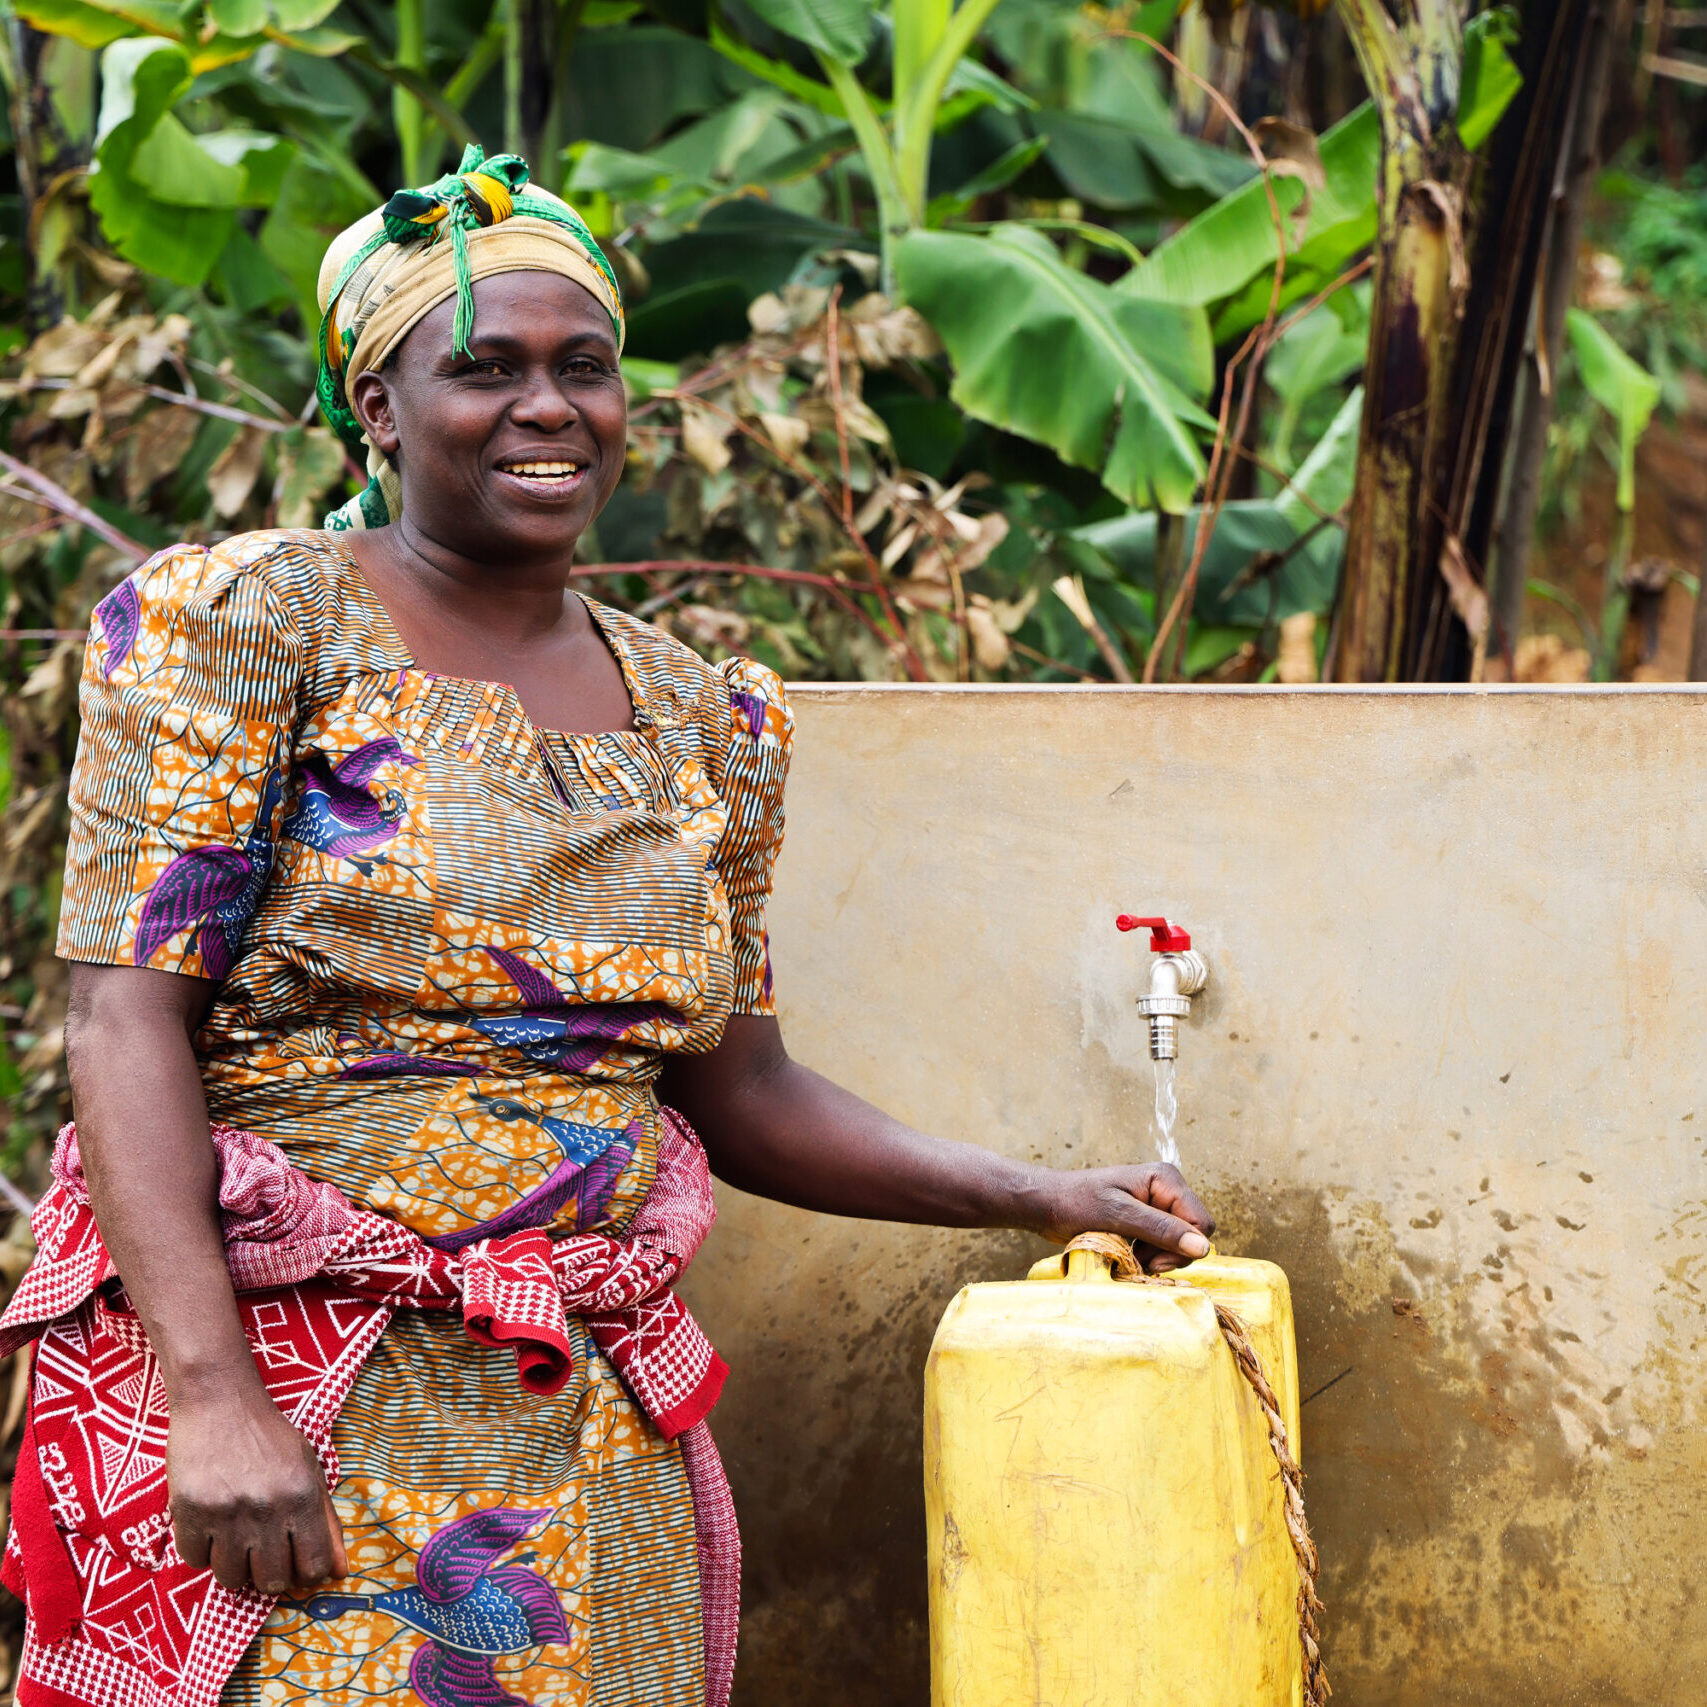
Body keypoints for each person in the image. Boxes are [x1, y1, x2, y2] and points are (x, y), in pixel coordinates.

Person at [26, 147, 1213, 1707]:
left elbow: (746, 1093)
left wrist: (1040, 1194)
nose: (547, 406)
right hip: (304, 1399)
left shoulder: (711, 719)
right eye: (486, 369)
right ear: (377, 409)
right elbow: (123, 1018)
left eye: (584, 367)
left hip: (585, 1405)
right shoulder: (242, 624)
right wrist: (210, 1399)